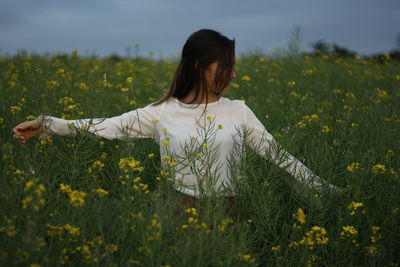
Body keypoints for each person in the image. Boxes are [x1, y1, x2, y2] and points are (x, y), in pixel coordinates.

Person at [13, 29, 338, 206]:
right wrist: (46, 124)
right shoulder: (162, 113)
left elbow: (278, 155)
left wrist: (327, 190)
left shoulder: (238, 110)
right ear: (200, 65)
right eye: (226, 66)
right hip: (178, 215)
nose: (234, 74)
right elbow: (105, 128)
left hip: (231, 215)